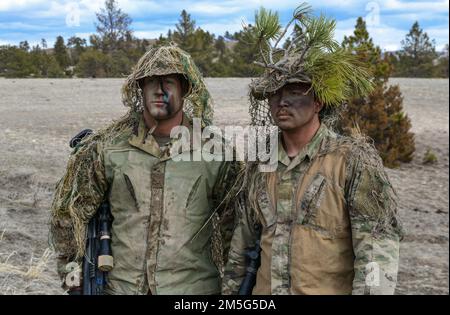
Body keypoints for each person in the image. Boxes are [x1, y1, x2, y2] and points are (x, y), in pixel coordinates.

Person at [222, 6, 403, 295]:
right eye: (274, 93)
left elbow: (376, 248)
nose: (282, 101)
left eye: (294, 91)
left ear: (318, 102)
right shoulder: (261, 163)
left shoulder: (352, 160)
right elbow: (241, 248)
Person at [50, 45, 238, 295]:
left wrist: (235, 289)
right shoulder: (108, 149)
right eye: (151, 82)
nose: (159, 91)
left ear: (185, 89)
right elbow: (70, 214)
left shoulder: (216, 153)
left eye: (169, 82)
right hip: (120, 288)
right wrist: (72, 273)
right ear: (140, 88)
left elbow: (235, 228)